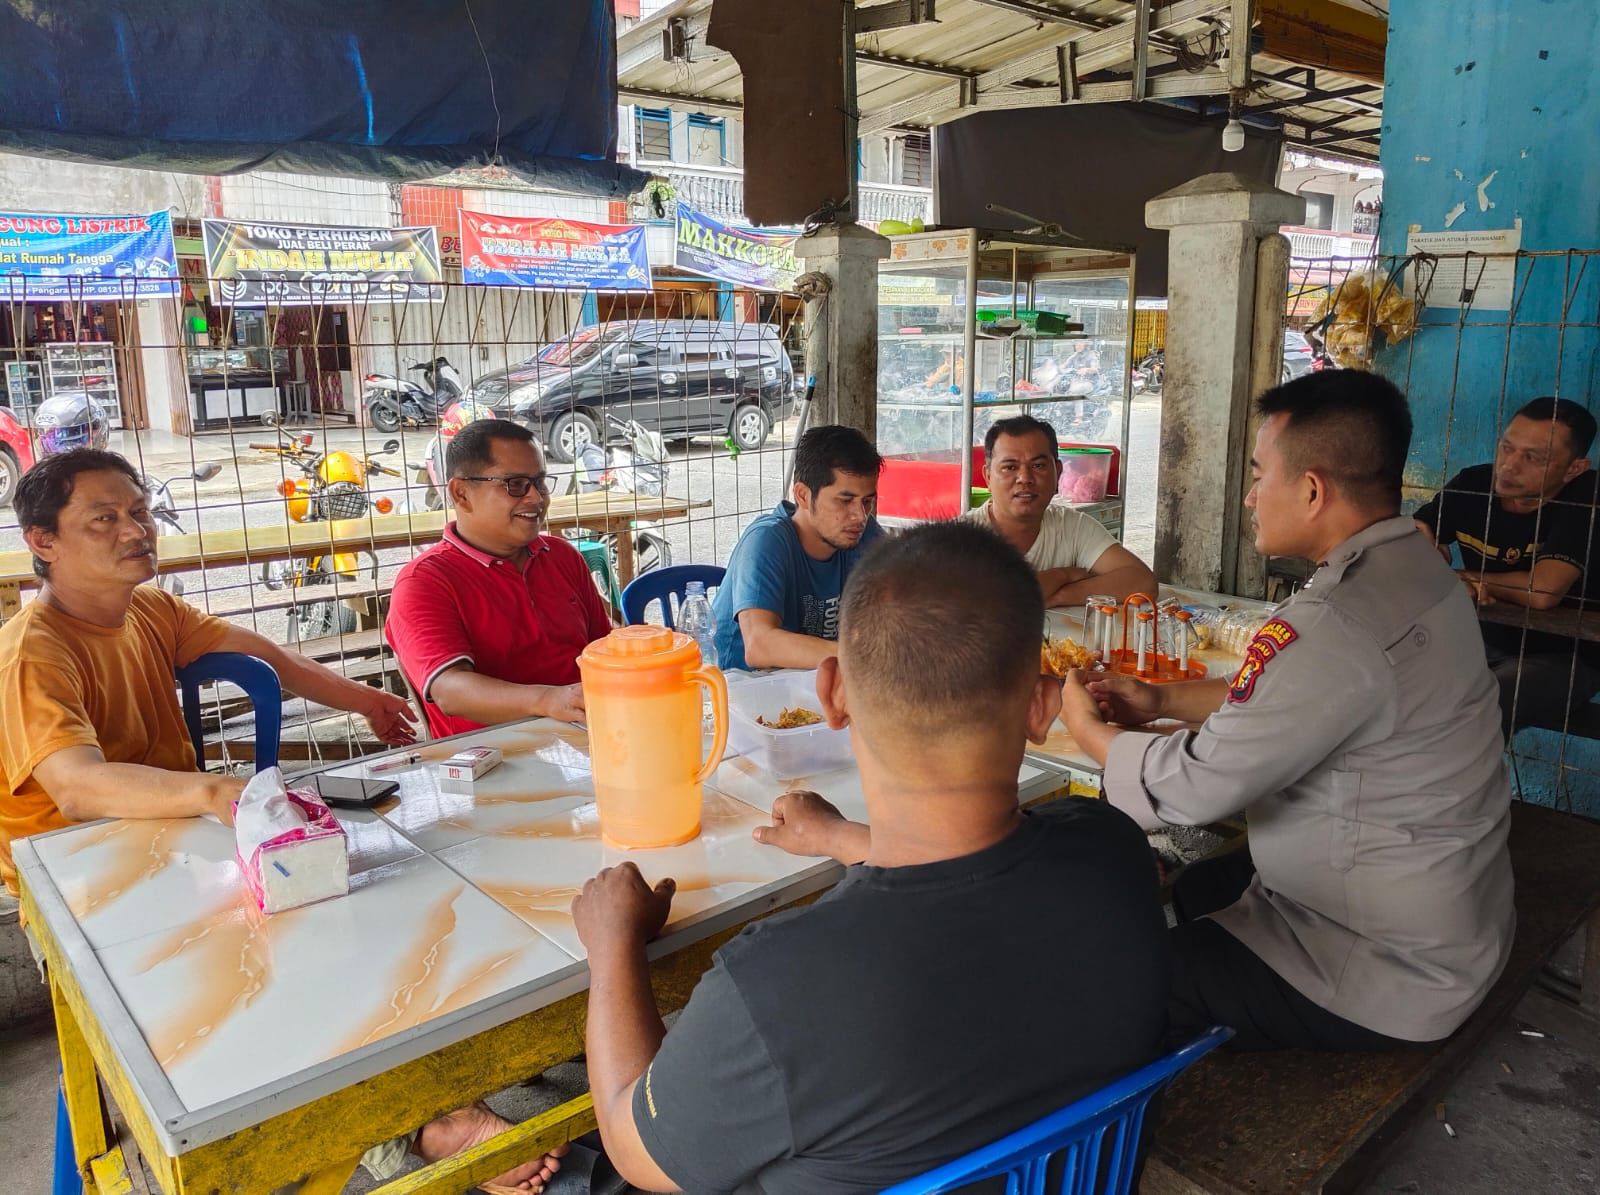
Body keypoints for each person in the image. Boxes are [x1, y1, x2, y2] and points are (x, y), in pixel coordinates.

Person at [0, 448, 568, 1193]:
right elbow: (76, 787)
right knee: (276, 984)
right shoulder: (32, 652)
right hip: (82, 889)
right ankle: (416, 1130)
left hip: (176, 846)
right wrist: (213, 793)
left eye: (138, 512)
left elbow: (269, 657)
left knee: (361, 916)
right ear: (42, 540)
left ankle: (432, 1106)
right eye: (103, 519)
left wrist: (365, 701)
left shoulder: (149, 611)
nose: (135, 530)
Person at [567, 521, 1170, 1192]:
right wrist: (841, 838)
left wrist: (612, 945)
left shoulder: (778, 983)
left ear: (831, 693)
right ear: (1041, 705)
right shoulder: (1114, 850)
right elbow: (965, 878)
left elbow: (634, 1148)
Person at [1059, 371, 1514, 1051]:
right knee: (1201, 882)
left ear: (1312, 490)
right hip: (1455, 916)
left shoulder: (1336, 620)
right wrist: (1161, 699)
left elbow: (1195, 787)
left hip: (1389, 966)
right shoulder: (1419, 574)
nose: (1250, 496)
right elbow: (1295, 698)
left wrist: (1088, 730)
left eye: (1259, 475)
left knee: (1121, 981)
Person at [386, 419, 613, 738]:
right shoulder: (424, 582)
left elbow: (604, 650)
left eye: (540, 482)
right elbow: (450, 690)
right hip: (495, 755)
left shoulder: (561, 556)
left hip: (589, 735)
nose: (536, 498)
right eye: (515, 484)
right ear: (461, 493)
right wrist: (548, 701)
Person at [1413, 396, 1599, 734]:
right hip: (1481, 641)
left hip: (1567, 657)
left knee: (1479, 708)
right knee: (1390, 684)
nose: (1509, 466)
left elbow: (1543, 591)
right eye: (1506, 448)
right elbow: (1413, 538)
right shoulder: (1473, 484)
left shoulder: (1588, 496)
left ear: (1574, 469)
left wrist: (1456, 578)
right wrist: (1424, 553)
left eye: (1533, 458)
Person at [711, 424, 884, 671]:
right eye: (845, 501)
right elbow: (759, 645)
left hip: (809, 680)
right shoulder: (766, 540)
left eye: (867, 501)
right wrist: (863, 658)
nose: (860, 515)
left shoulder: (865, 535)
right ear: (802, 495)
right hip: (740, 684)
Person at [964, 414, 1156, 607]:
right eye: (1010, 467)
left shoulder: (1073, 527)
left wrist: (1058, 593)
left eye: (1038, 465)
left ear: (1058, 472)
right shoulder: (961, 539)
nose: (1025, 478)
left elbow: (1143, 583)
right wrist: (1064, 575)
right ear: (988, 477)